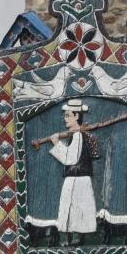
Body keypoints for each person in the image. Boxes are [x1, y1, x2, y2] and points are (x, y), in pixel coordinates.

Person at [46, 98, 99, 243]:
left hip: (78, 179)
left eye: (68, 115)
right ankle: (72, 239)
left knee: (77, 209)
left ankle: (77, 239)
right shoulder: (75, 135)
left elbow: (70, 159)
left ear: (76, 116)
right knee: (72, 209)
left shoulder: (78, 135)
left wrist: (57, 143)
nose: (65, 119)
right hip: (75, 178)